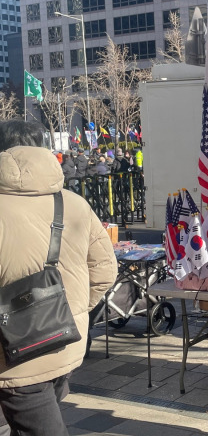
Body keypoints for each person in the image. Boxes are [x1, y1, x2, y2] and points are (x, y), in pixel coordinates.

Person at [0, 119, 117, 435]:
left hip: (15, 356)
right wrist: (71, 309)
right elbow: (106, 271)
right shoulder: (75, 203)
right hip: (65, 338)